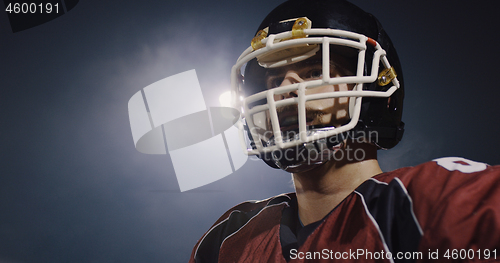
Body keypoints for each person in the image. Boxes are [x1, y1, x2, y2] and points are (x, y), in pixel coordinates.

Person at [189, 0, 500, 262]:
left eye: (314, 71)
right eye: (273, 81)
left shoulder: (440, 199)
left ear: (371, 86)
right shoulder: (229, 238)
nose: (284, 90)